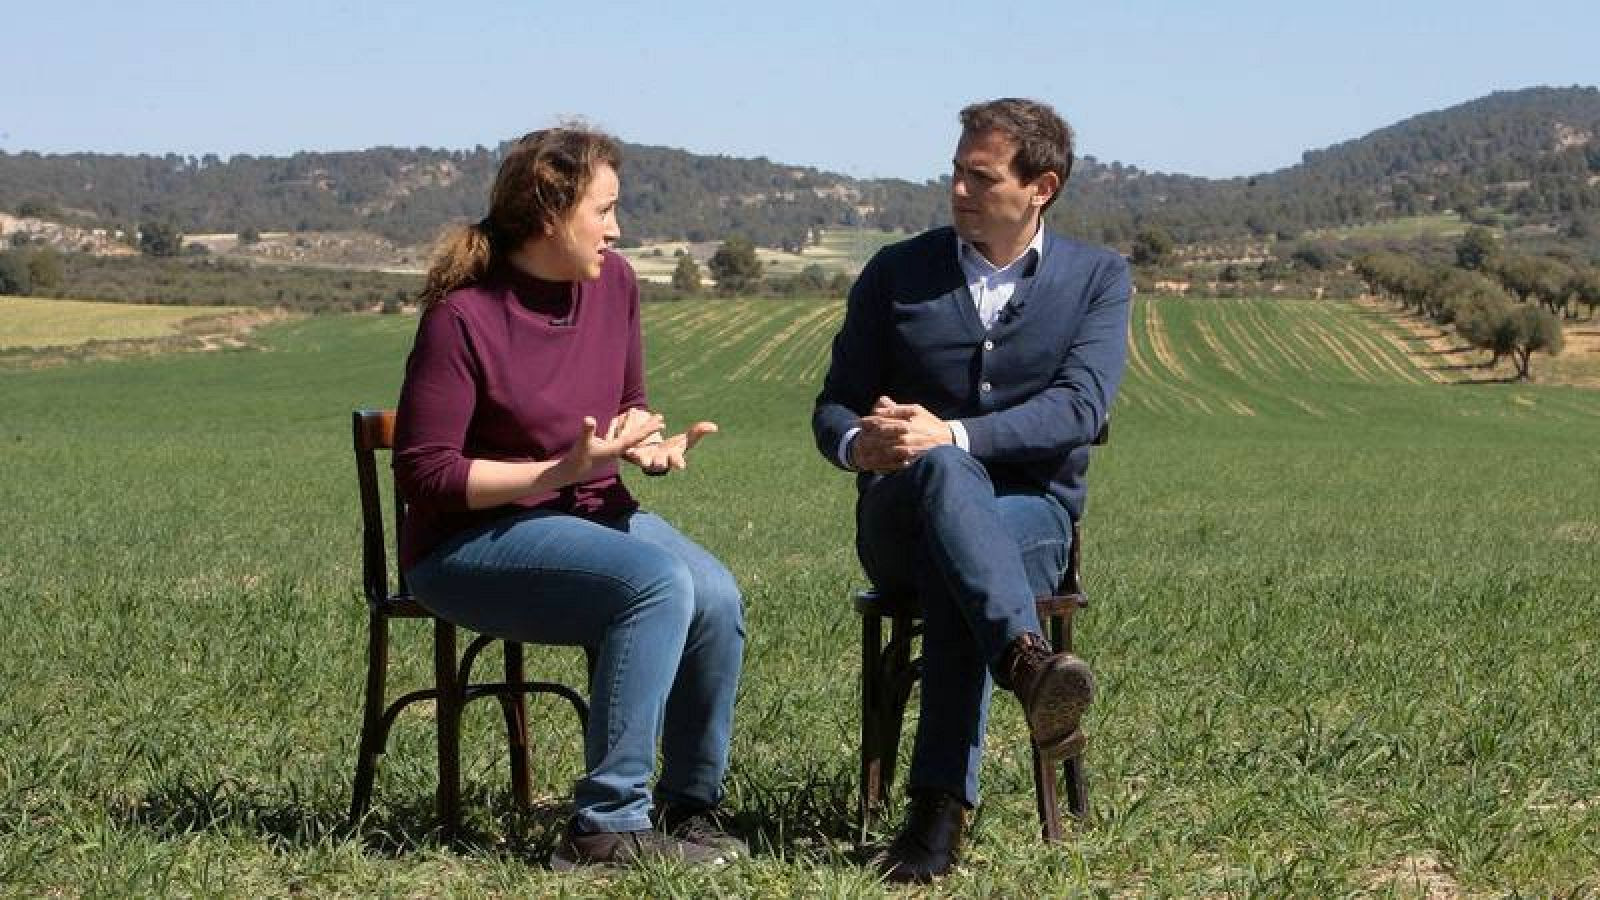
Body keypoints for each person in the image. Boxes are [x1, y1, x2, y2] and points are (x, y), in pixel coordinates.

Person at [393, 126, 745, 870]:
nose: (617, 230)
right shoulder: (462, 319)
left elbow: (628, 401)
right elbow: (425, 476)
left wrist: (646, 443)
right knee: (654, 585)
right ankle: (605, 827)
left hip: (590, 516)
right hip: (468, 546)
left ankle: (690, 807)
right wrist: (555, 471)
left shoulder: (613, 284)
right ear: (550, 211)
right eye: (605, 209)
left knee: (714, 593)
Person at [812, 98, 1130, 883]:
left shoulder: (1098, 278)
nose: (956, 189)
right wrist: (865, 443)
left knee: (963, 556)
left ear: (1041, 187)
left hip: (1035, 521)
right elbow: (832, 407)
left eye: (978, 177)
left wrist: (950, 435)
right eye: (954, 171)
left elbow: (1081, 408)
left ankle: (935, 825)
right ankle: (1027, 669)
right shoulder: (896, 271)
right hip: (897, 519)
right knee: (949, 493)